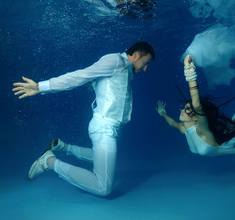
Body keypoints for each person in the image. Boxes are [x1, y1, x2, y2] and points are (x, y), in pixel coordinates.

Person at [12, 41, 155, 196]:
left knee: (98, 157)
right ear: (136, 55)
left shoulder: (125, 67)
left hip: (112, 128)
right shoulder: (115, 61)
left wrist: (95, 84)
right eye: (146, 63)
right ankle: (49, 162)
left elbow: (110, 87)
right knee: (103, 187)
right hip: (104, 127)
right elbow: (80, 76)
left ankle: (63, 147)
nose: (146, 68)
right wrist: (41, 87)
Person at [156, 55, 235, 156]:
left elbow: (197, 105)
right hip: (228, 140)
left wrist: (189, 72)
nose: (183, 110)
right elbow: (172, 123)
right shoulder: (185, 129)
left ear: (196, 118)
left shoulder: (202, 131)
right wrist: (162, 112)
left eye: (188, 109)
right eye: (185, 108)